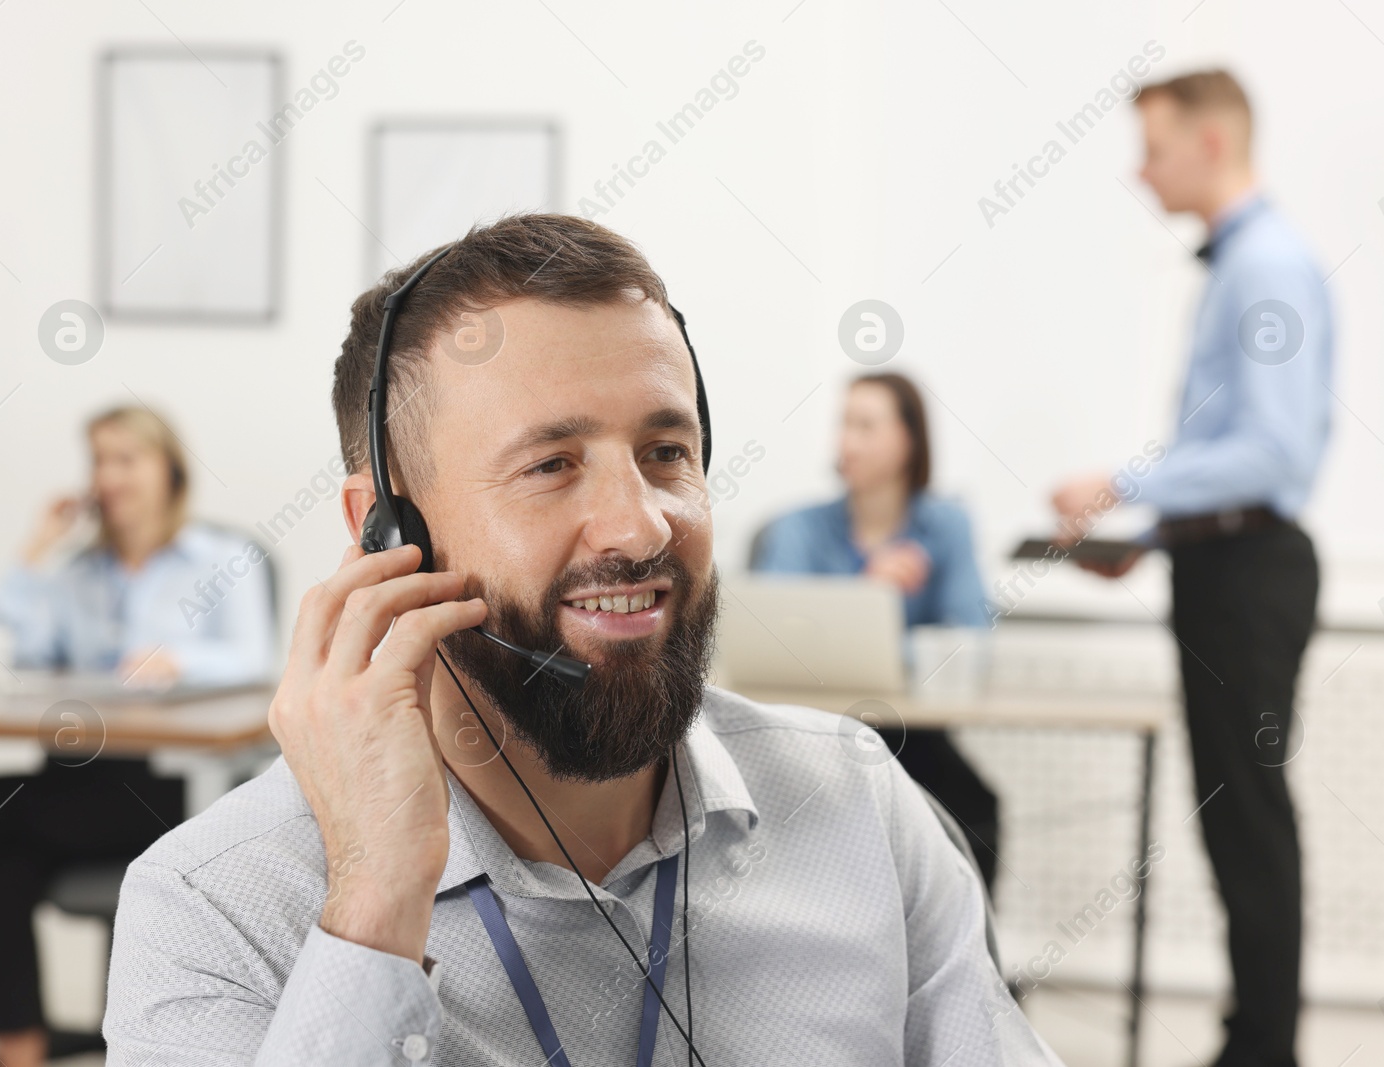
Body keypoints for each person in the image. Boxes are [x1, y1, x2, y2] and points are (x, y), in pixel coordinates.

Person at [102, 214, 1062, 1065]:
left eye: (665, 453)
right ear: (387, 528)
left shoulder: (860, 807)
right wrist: (373, 907)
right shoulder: (210, 903)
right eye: (552, 464)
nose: (639, 526)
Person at [1050, 71, 1331, 1067]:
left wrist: (1121, 484)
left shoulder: (1266, 267)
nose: (1139, 169)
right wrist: (1153, 533)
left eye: (1153, 147)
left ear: (1209, 145)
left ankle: (1262, 1048)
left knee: (1249, 817)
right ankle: (1251, 1040)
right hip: (1221, 561)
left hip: (1250, 570)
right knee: (1237, 816)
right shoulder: (1247, 264)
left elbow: (1273, 455)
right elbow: (1238, 462)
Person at [0, 405, 276, 1067]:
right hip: (74, 779)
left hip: (167, 790)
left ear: (168, 469)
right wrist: (34, 551)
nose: (108, 475)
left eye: (126, 458)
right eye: (98, 460)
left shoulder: (224, 556)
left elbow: (259, 660)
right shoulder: (76, 573)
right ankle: (20, 1050)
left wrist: (183, 662)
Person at [750, 372, 1001, 891]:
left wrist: (875, 643)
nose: (846, 442)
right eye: (844, 424)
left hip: (911, 732)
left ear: (909, 440)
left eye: (865, 426)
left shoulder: (946, 526)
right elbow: (773, 638)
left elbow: (968, 640)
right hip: (815, 733)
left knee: (974, 808)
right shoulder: (796, 528)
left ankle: (970, 964)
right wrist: (868, 595)